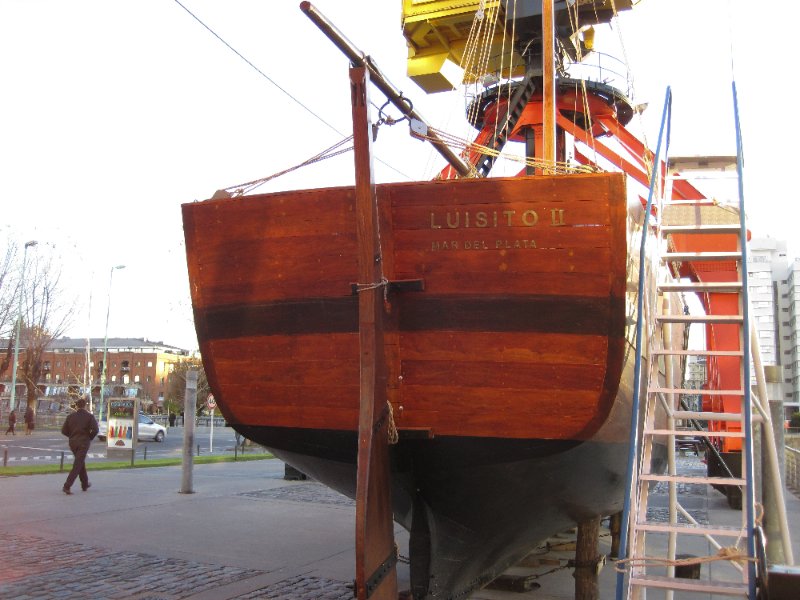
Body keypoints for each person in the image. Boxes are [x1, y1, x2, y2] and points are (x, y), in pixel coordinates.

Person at [61, 398, 99, 495]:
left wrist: (72, 436)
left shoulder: (70, 416)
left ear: (77, 406)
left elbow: (64, 431)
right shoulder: (89, 417)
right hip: (83, 442)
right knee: (78, 464)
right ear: (85, 406)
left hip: (73, 442)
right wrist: (89, 437)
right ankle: (67, 485)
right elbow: (95, 429)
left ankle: (85, 483)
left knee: (80, 462)